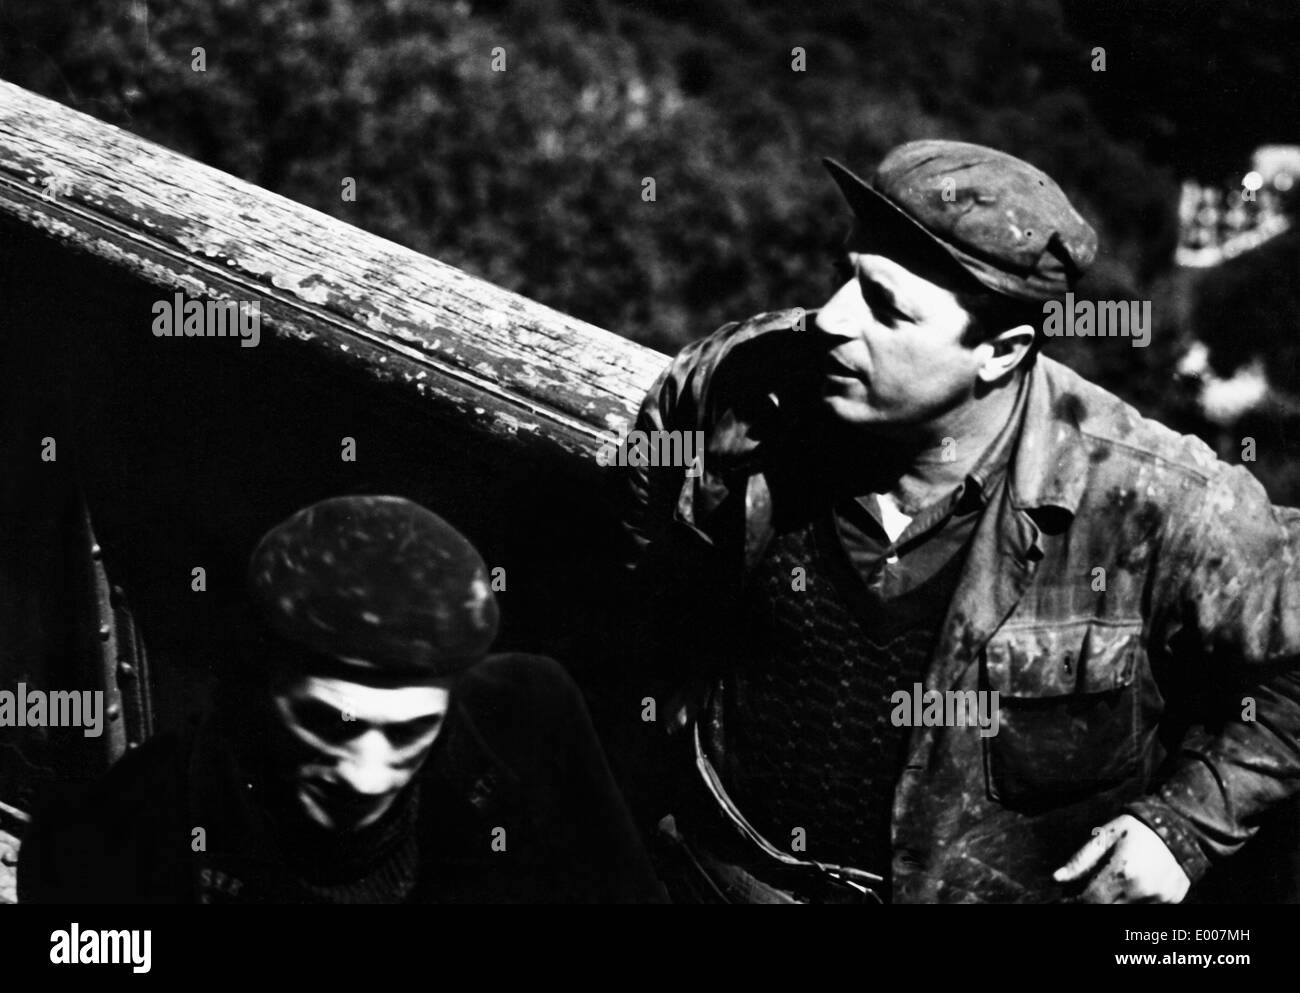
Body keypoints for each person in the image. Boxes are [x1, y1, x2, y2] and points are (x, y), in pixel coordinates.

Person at [619, 140, 1300, 904]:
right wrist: (667, 654)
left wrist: (1186, 825)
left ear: (1001, 353)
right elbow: (655, 454)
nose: (831, 320)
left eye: (886, 308)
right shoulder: (753, 380)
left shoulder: (1144, 494)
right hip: (710, 872)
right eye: (846, 277)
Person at [20, 495, 664, 903]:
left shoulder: (522, 723)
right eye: (329, 723)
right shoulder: (122, 832)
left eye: (409, 731)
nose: (364, 775)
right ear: (262, 687)